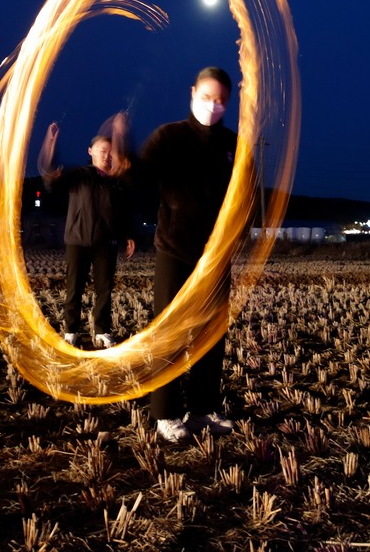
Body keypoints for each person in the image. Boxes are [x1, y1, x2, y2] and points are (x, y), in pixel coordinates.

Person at [137, 66, 241, 443]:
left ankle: (202, 409)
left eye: (221, 100)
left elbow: (244, 194)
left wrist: (237, 236)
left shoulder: (233, 145)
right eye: (206, 96)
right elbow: (139, 178)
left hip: (215, 255)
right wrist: (121, 162)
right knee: (168, 332)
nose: (212, 105)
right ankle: (165, 413)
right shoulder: (169, 137)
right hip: (174, 250)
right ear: (192, 91)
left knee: (211, 334)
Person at [38, 114, 136, 349]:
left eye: (111, 151)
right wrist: (51, 143)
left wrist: (128, 235)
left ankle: (102, 330)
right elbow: (51, 179)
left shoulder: (116, 182)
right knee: (75, 288)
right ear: (90, 151)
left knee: (104, 289)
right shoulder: (79, 176)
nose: (107, 155)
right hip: (78, 241)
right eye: (102, 150)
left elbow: (122, 211)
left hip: (106, 243)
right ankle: (71, 329)